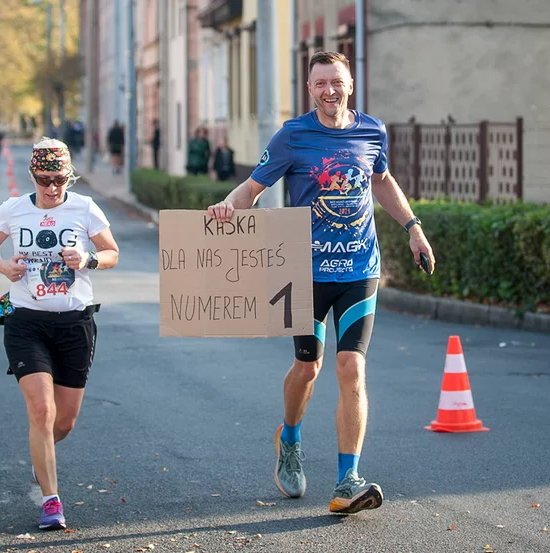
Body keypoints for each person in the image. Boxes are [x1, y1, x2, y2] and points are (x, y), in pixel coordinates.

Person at [207, 51, 436, 515]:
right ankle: (290, 438)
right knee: (308, 368)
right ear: (310, 89)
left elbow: (382, 180)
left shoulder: (372, 130)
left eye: (336, 81)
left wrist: (413, 226)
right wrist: (227, 207)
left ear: (350, 83)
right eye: (320, 83)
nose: (329, 90)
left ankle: (348, 479)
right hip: (304, 270)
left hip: (359, 268)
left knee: (351, 366)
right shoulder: (293, 135)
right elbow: (252, 188)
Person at [0, 138, 120, 530]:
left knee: (64, 422)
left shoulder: (84, 208)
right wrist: (4, 266)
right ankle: (51, 501)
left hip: (75, 323)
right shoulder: (13, 209)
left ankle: (41, 455)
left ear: (68, 176)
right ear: (32, 176)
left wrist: (89, 258)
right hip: (27, 322)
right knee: (42, 410)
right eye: (44, 179)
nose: (52, 187)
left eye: (59, 179)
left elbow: (112, 252)